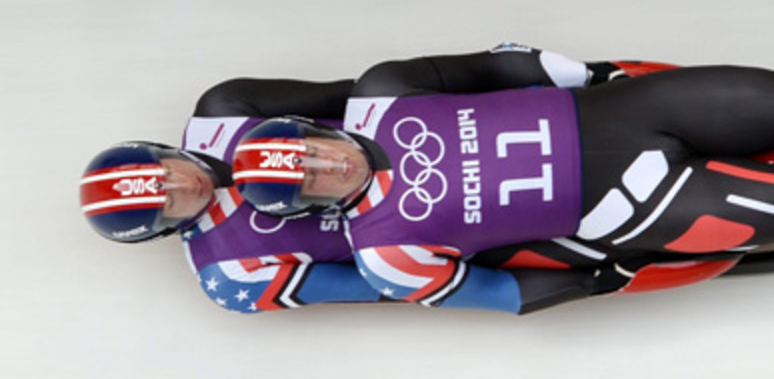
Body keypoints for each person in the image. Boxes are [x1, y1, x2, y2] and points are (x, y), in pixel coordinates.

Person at [230, 48, 774, 314]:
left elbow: (500, 62)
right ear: (313, 204)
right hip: (629, 205)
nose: (326, 164)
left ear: (318, 128)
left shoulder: (387, 93)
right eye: (310, 180)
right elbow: (506, 294)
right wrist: (607, 273)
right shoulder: (389, 258)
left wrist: (601, 70)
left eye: (311, 147)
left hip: (623, 117)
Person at [80, 46, 679, 312]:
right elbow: (369, 286)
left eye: (167, 175)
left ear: (163, 151)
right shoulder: (228, 274)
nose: (186, 188)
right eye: (168, 205)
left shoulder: (227, 106)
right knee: (441, 275)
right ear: (164, 231)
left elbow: (351, 98)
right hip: (445, 228)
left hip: (434, 151)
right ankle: (611, 274)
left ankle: (594, 82)